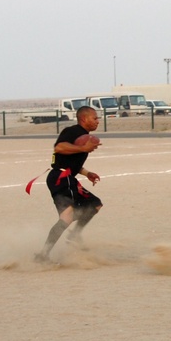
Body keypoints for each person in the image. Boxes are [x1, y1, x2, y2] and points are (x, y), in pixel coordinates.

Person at [36, 106, 103, 261]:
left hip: (68, 178)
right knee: (67, 216)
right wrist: (82, 147)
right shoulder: (73, 131)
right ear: (84, 118)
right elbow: (59, 147)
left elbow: (72, 163)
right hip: (60, 178)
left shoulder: (83, 136)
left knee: (95, 204)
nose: (97, 121)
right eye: (95, 118)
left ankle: (74, 234)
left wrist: (88, 173)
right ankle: (43, 254)